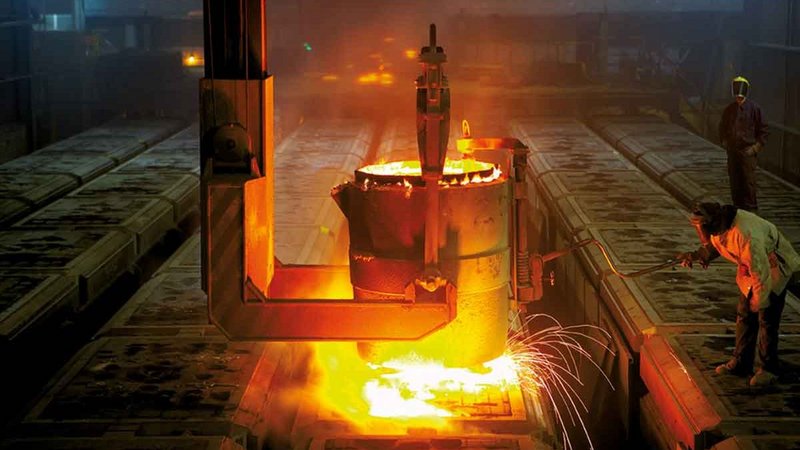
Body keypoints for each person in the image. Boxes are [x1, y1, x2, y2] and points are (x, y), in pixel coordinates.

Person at [678, 202, 800, 387]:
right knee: (744, 314)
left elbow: (761, 273)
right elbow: (716, 244)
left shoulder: (746, 235)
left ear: (712, 224)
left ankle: (769, 368)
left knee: (766, 319)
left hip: (775, 268)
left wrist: (758, 301)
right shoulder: (722, 225)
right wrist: (698, 255)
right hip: (751, 268)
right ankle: (742, 363)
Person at [718, 76, 769, 212]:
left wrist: (755, 148)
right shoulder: (729, 109)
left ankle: (751, 210)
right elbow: (722, 126)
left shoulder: (754, 109)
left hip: (748, 152)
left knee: (748, 182)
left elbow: (764, 130)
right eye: (736, 97)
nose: (738, 99)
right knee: (735, 181)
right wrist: (724, 141)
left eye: (740, 97)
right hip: (733, 151)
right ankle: (737, 208)